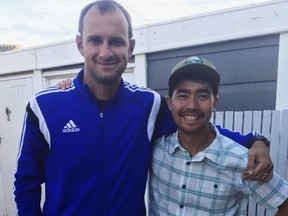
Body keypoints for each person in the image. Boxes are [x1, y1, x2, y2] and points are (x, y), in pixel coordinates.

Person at [14, 1, 272, 215]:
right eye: (95, 40)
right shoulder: (45, 106)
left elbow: (197, 126)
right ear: (81, 44)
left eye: (116, 41)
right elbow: (26, 182)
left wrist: (255, 141)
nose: (105, 52)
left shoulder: (148, 105)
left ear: (131, 46)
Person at [149, 56, 288, 215]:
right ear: (169, 102)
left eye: (202, 96)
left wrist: (258, 141)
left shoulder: (241, 161)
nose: (192, 105)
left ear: (215, 102)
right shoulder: (156, 149)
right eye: (183, 95)